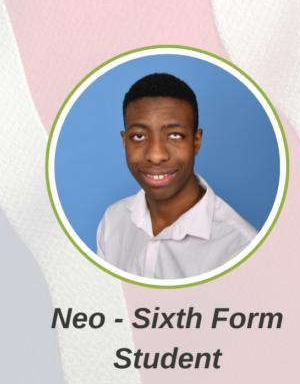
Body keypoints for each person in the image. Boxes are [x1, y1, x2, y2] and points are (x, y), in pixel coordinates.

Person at [96, 72, 257, 279]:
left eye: (174, 135)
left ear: (196, 142)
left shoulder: (241, 249)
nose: (155, 156)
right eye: (138, 136)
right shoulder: (113, 220)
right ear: (125, 141)